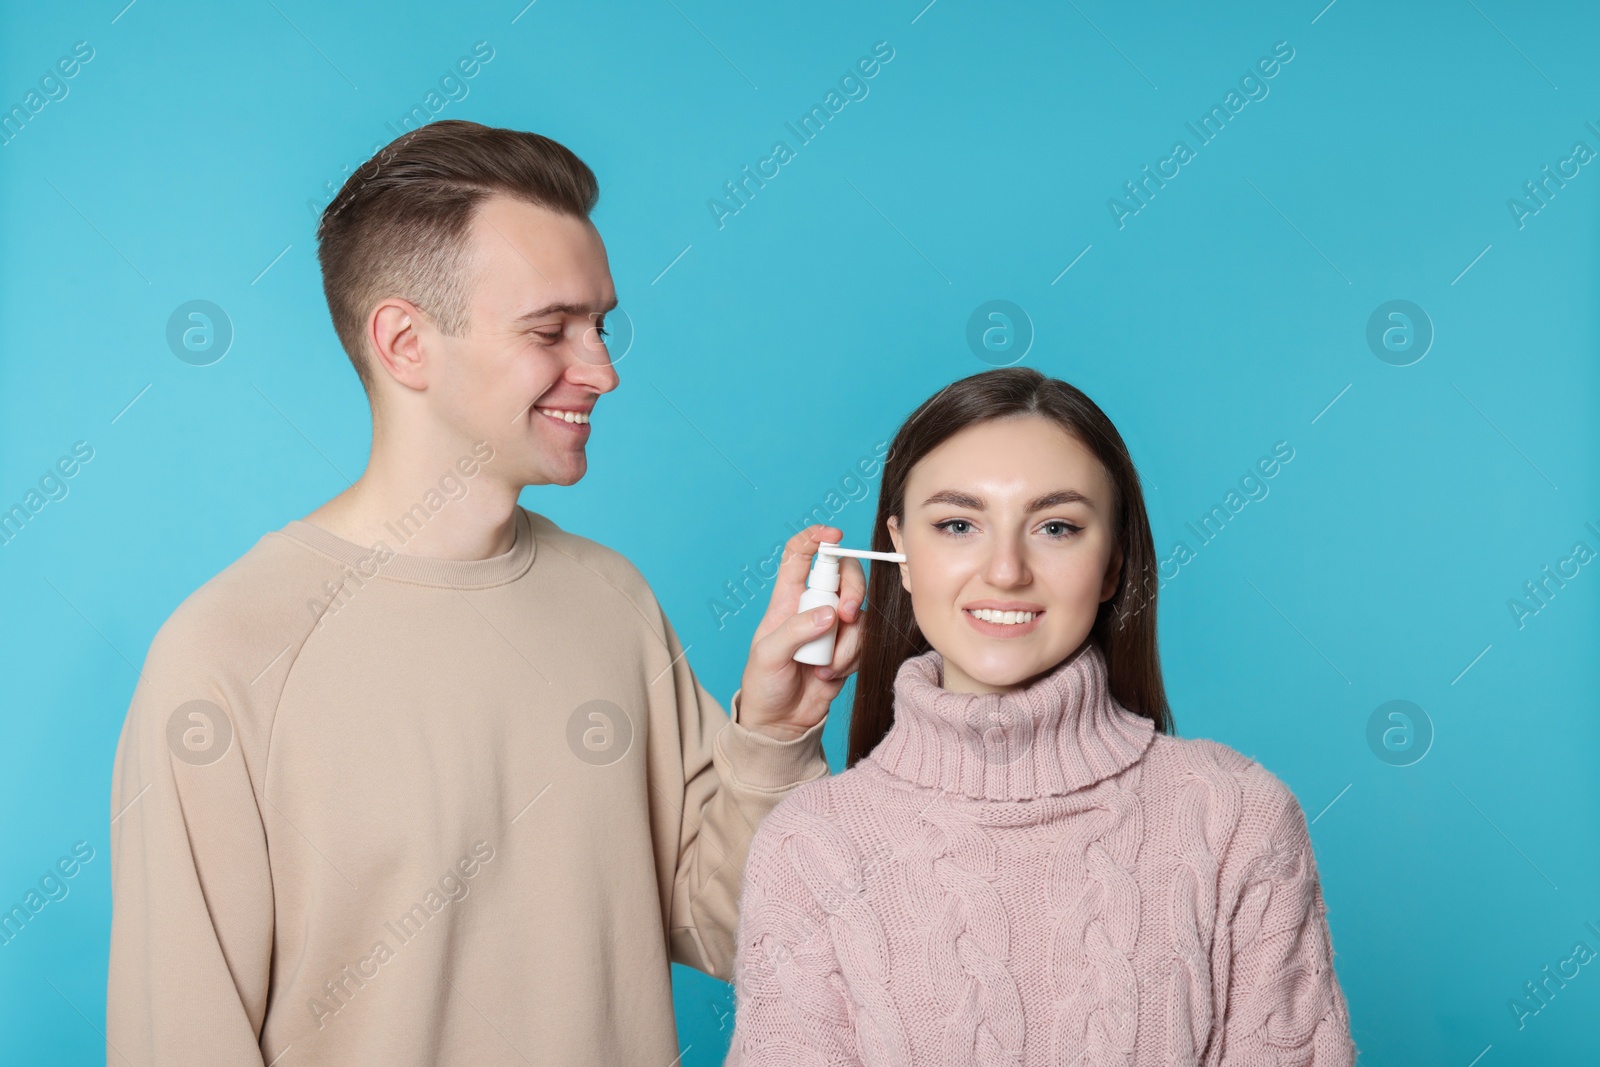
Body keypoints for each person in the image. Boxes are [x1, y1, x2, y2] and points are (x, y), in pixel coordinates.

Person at [106, 120, 868, 1065]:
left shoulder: (612, 600)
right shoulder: (226, 653)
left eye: (601, 324)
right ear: (406, 343)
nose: (602, 369)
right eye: (552, 330)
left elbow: (738, 932)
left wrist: (775, 731)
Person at [725, 368, 1357, 1064]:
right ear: (901, 553)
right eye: (958, 524)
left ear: (1113, 561)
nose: (1006, 569)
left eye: (1056, 526)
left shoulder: (1238, 817)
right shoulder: (809, 846)